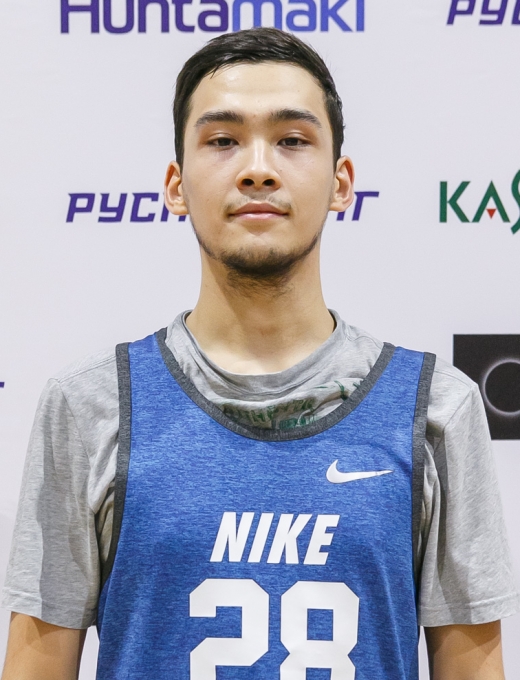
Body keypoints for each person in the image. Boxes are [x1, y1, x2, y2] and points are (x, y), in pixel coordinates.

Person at [1, 27, 519, 680]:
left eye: (292, 140)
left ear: (341, 182)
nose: (257, 168)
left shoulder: (437, 408)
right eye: (222, 140)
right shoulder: (88, 405)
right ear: (175, 185)